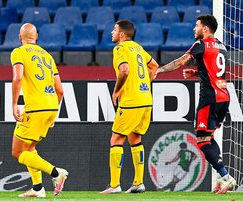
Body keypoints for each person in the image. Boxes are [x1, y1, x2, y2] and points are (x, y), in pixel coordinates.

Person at [155, 14, 237, 194]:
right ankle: (220, 178)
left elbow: (180, 61)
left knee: (201, 141)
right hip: (224, 97)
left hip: (209, 98)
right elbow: (214, 70)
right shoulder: (221, 46)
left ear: (205, 29)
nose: (194, 29)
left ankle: (226, 177)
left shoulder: (200, 44)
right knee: (209, 137)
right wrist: (196, 73)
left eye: (197, 25)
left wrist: (159, 70)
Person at [101, 20, 159, 194]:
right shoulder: (138, 48)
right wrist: (143, 83)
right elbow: (154, 66)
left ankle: (114, 185)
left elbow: (124, 71)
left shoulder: (120, 48)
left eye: (114, 30)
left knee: (116, 139)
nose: (112, 32)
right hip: (146, 99)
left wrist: (116, 90)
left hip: (131, 101)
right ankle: (138, 183)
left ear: (121, 35)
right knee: (135, 138)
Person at [11, 23, 68, 198]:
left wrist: (14, 104)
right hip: (51, 106)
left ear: (20, 37)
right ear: (36, 37)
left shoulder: (18, 52)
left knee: (18, 152)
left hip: (35, 107)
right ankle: (38, 188)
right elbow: (60, 90)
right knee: (30, 148)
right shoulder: (48, 56)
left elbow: (18, 77)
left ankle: (57, 173)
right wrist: (53, 114)